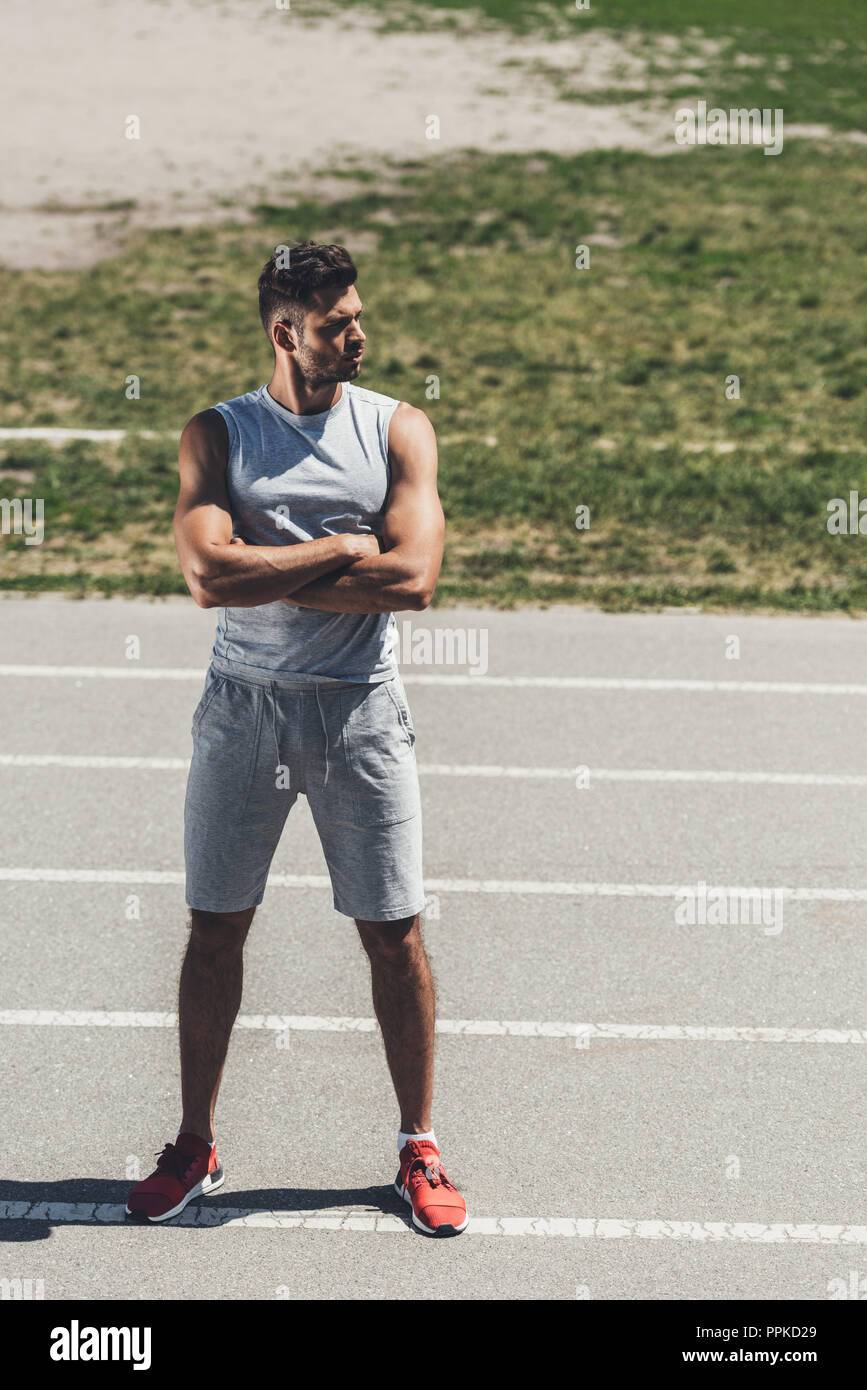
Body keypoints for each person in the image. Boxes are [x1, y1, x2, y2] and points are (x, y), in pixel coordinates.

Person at [125, 242, 467, 1236]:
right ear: (286, 332)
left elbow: (413, 581)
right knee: (215, 927)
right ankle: (196, 1145)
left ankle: (418, 1145)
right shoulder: (218, 435)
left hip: (360, 706)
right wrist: (338, 546)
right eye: (336, 323)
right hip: (245, 705)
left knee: (393, 929)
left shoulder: (400, 429)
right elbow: (202, 578)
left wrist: (264, 563)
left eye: (358, 316)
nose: (356, 335)